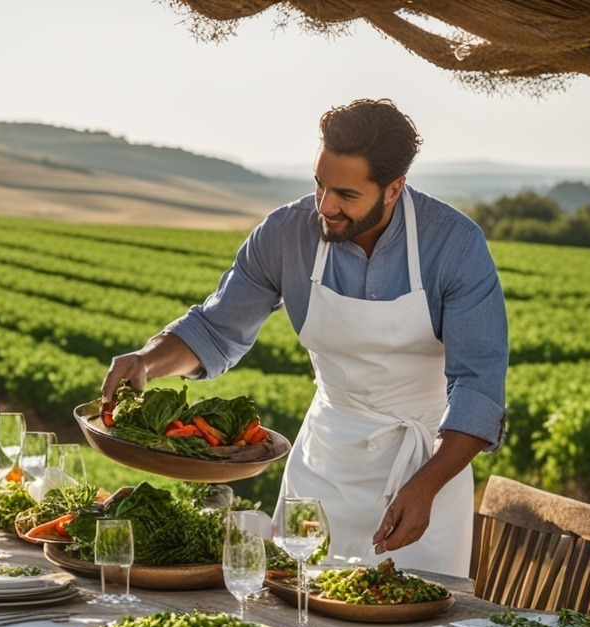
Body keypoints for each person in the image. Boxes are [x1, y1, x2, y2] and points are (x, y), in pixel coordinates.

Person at [101, 98, 507, 577]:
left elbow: (478, 390)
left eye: (345, 195)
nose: (325, 205)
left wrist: (425, 488)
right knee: (298, 612)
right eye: (319, 185)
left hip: (425, 472)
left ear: (394, 188)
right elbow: (215, 328)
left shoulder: (455, 245)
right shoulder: (285, 233)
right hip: (324, 467)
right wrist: (148, 361)